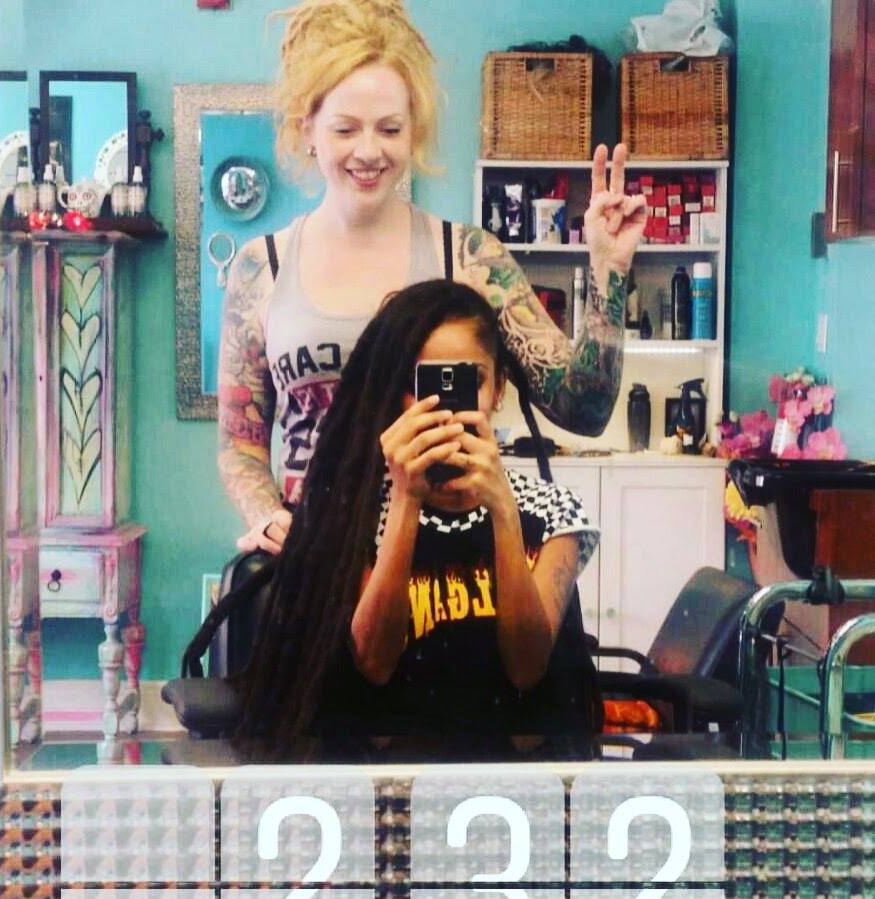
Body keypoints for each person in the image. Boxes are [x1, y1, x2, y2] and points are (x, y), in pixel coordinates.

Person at [217, 0, 647, 555]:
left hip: (448, 565)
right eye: (346, 128)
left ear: (412, 132)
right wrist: (267, 515)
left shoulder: (469, 258)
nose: (369, 151)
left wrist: (609, 271)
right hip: (318, 563)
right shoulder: (260, 269)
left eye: (390, 128)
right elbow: (241, 445)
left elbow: (583, 411)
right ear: (309, 131)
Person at [237, 280, 603, 759]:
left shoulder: (553, 511)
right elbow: (374, 662)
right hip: (388, 777)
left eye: (469, 381)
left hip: (518, 778)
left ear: (497, 390)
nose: (439, 407)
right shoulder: (353, 515)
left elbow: (528, 668)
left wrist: (504, 512)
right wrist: (406, 498)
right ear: (394, 395)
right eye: (420, 385)